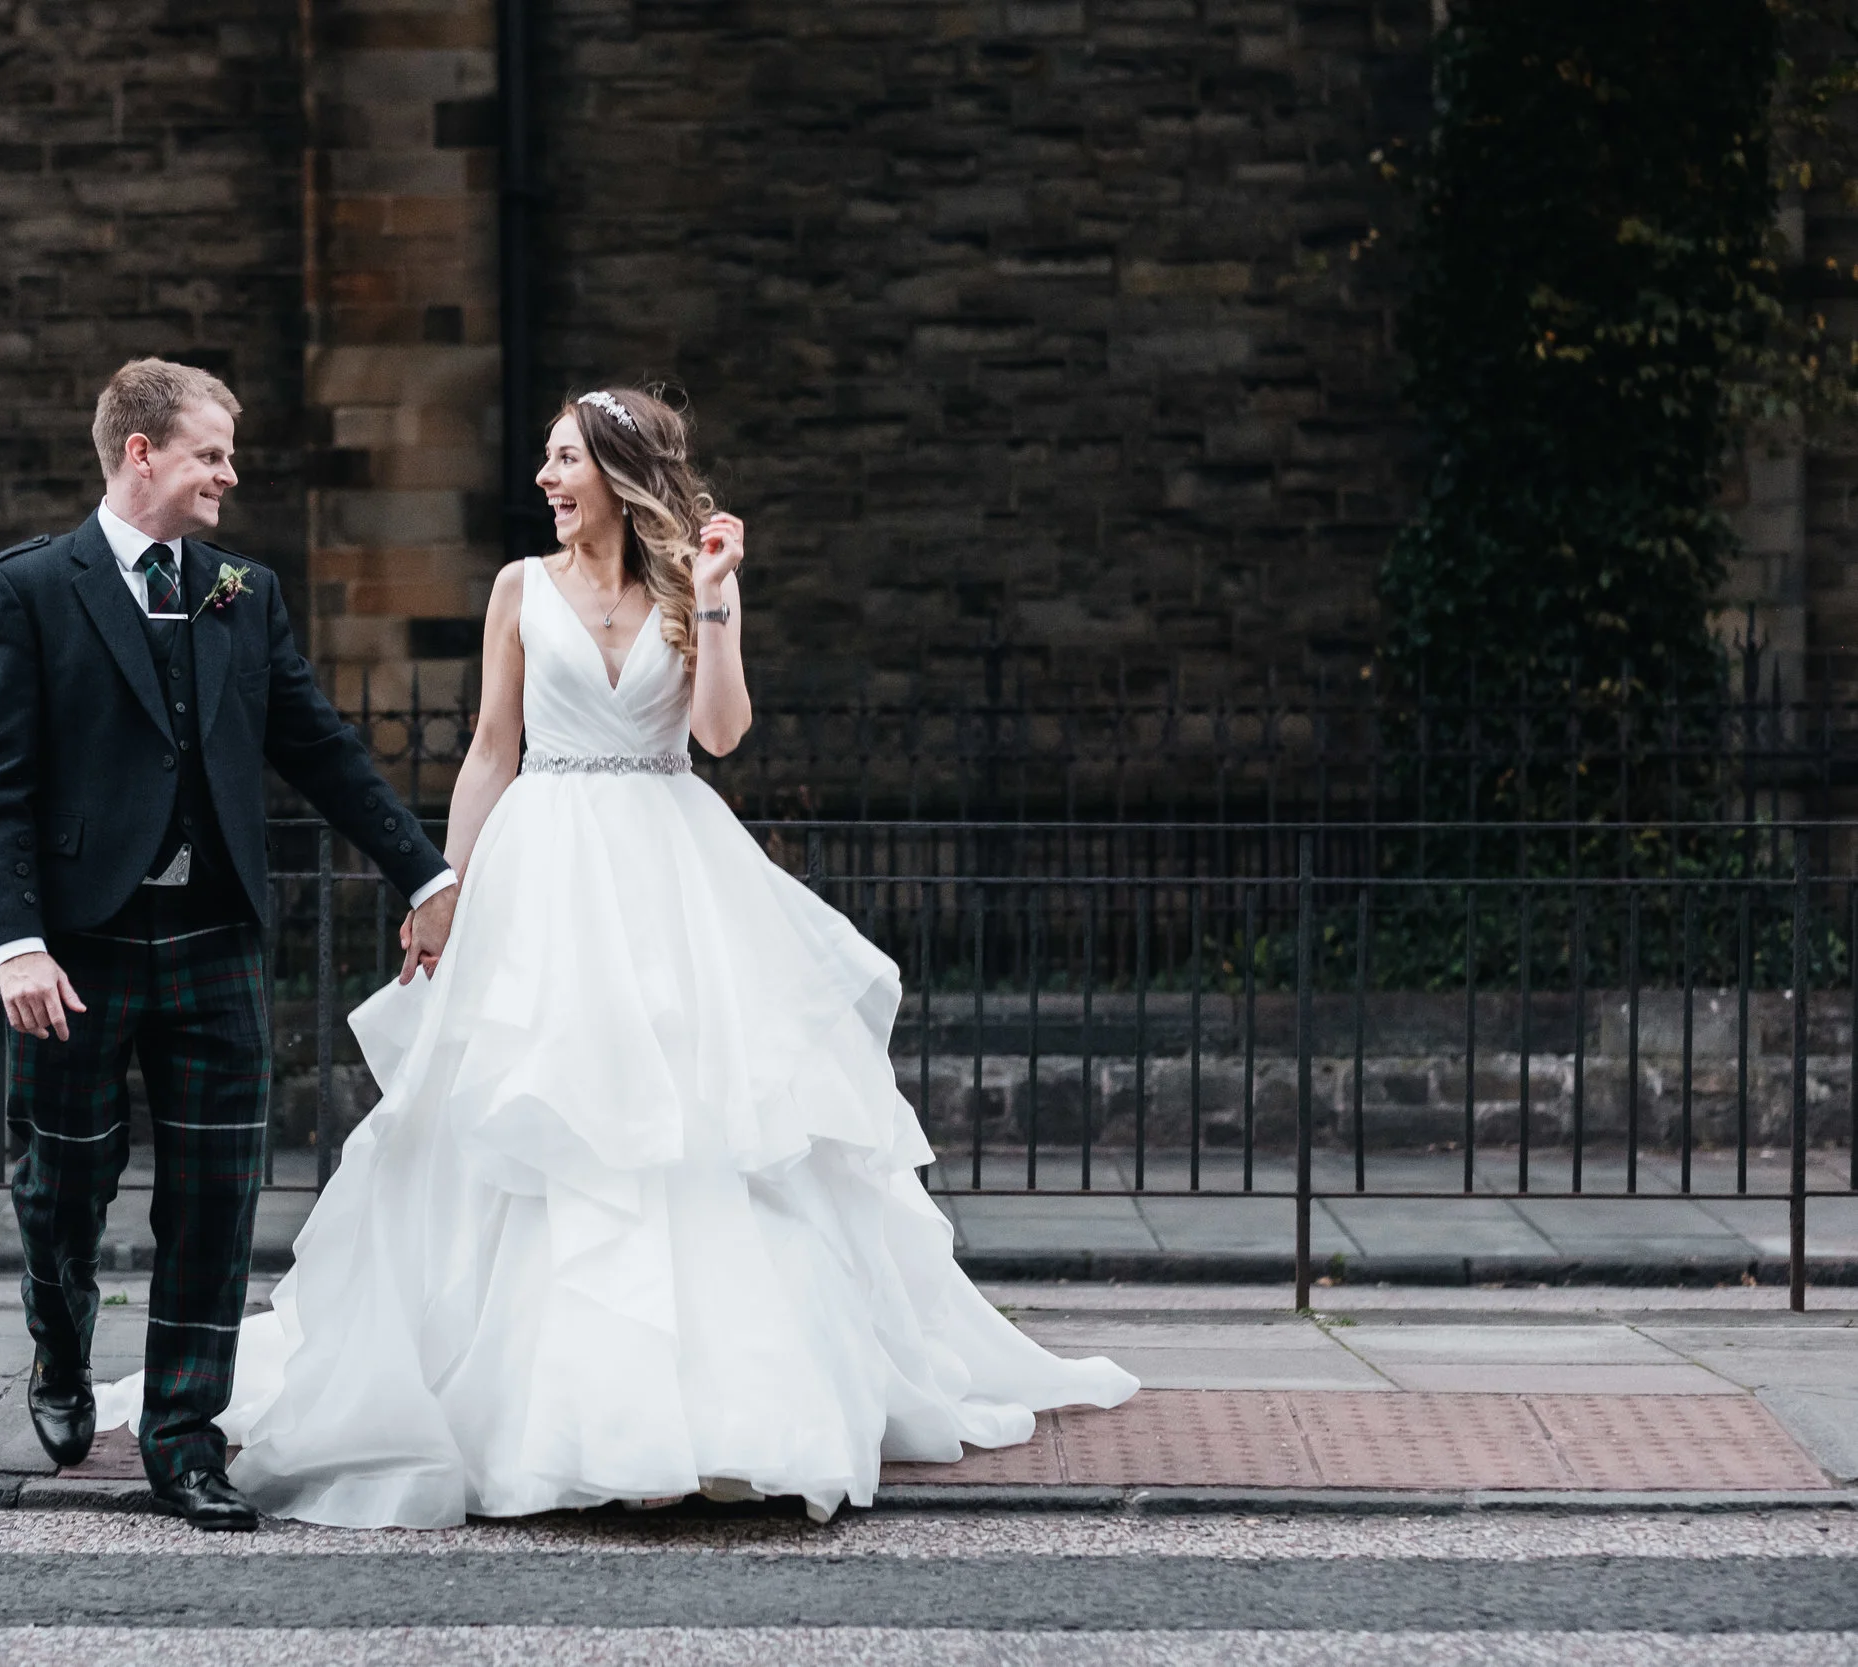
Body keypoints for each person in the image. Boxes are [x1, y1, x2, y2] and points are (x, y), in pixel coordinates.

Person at [99, 385, 1136, 1527]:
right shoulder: (516, 589)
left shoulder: (687, 585)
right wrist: (442, 890)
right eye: (544, 459)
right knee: (538, 1122)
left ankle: (715, 1409)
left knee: (693, 1128)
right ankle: (556, 1408)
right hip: (543, 872)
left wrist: (721, 599)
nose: (545, 480)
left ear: (615, 471)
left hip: (670, 866)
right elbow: (493, 749)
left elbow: (720, 735)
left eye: (563, 461)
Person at [0, 358, 460, 1531]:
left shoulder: (243, 590)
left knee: (215, 1199)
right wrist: (16, 942)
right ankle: (60, 1346)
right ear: (143, 454)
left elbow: (318, 744)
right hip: (76, 950)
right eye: (212, 454)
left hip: (214, 939)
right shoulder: (30, 587)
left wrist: (423, 868)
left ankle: (184, 1439)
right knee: (63, 1184)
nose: (231, 474)